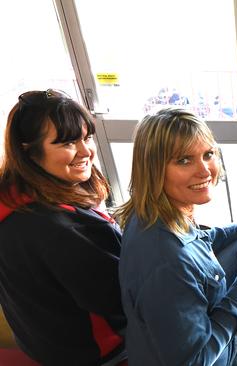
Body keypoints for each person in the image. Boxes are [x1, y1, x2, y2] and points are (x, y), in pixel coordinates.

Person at [114, 108, 237, 366]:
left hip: (175, 335)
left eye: (208, 154)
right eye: (184, 160)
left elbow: (198, 239)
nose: (205, 170)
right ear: (153, 168)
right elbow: (197, 360)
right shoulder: (166, 262)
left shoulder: (151, 211)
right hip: (220, 358)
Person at [0, 89, 126, 365]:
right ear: (29, 151)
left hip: (44, 344)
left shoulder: (14, 196)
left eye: (87, 138)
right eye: (68, 143)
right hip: (98, 352)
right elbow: (126, 301)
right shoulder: (56, 229)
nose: (86, 152)